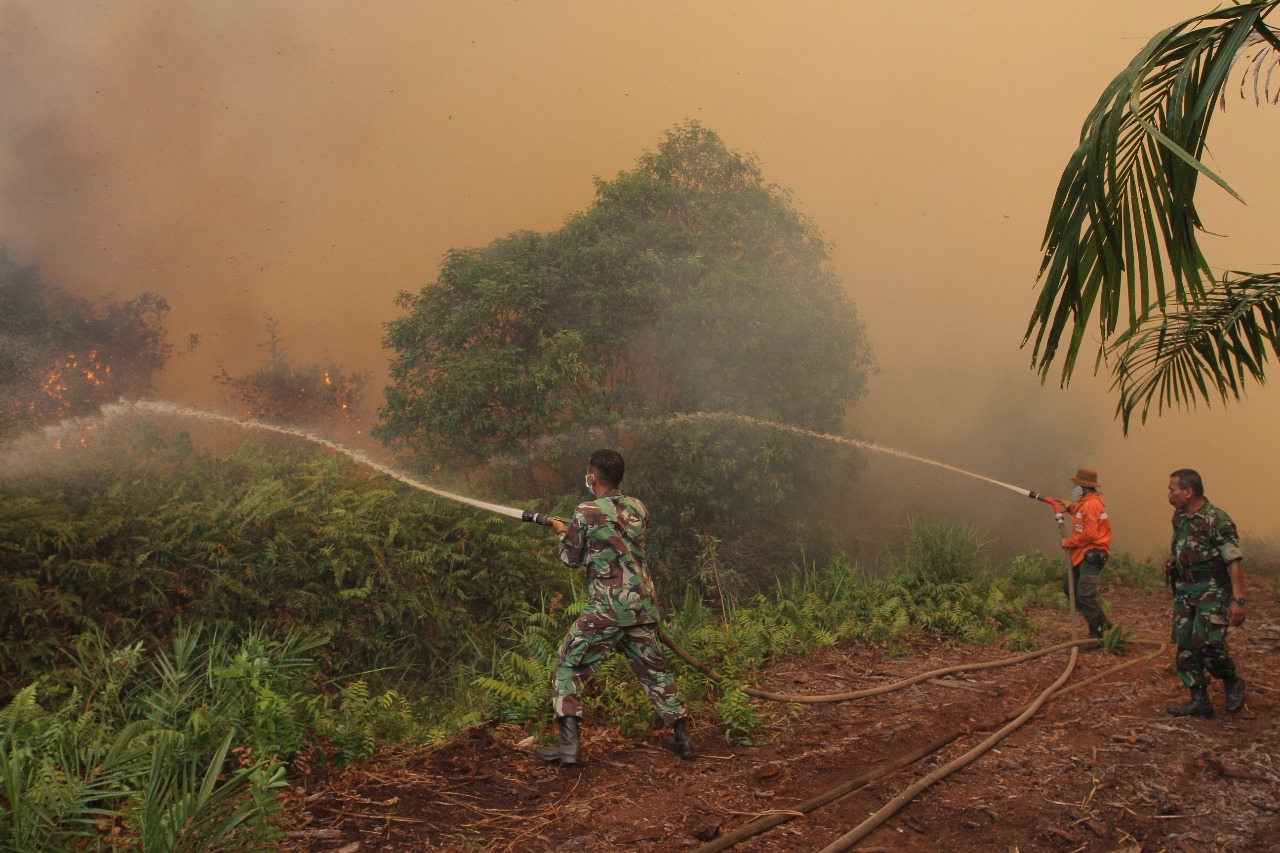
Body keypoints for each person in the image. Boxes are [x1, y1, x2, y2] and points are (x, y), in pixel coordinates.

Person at [534, 449, 694, 765]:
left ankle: (568, 746)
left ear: (593, 478)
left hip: (607, 607)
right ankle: (684, 740)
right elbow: (619, 540)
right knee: (655, 672)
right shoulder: (639, 507)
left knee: (569, 664)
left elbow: (571, 559)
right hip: (642, 604)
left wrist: (564, 532)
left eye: (588, 475)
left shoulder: (587, 510)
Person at [1164, 468, 1247, 718]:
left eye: (1172, 489)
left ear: (1188, 492)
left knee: (1208, 644)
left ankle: (1231, 679)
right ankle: (1199, 699)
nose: (1168, 494)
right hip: (1185, 590)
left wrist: (1238, 600)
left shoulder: (1217, 520)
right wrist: (1174, 560)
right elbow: (1184, 545)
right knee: (1186, 645)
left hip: (1212, 590)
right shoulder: (1179, 517)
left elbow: (1233, 561)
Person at [1059, 467, 1113, 639]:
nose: (1073, 486)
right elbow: (1086, 518)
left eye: (1076, 484)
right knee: (1070, 587)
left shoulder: (1091, 504)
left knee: (1084, 596)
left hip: (1091, 555)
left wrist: (1068, 542)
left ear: (1083, 486)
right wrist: (1071, 509)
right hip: (1082, 554)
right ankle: (1102, 622)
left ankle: (1096, 633)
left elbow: (1090, 534)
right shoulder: (1087, 502)